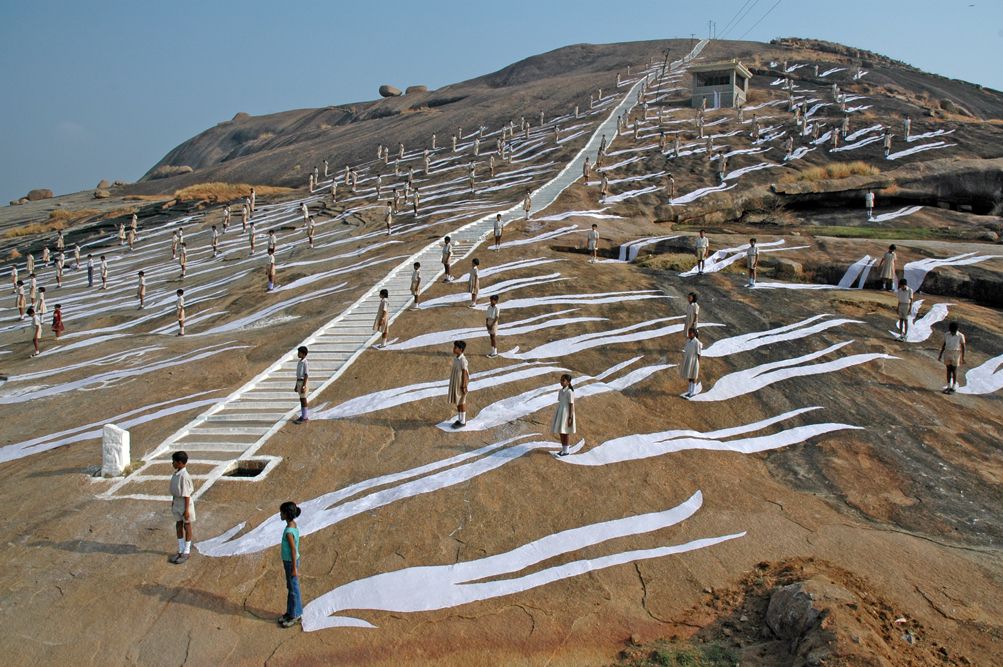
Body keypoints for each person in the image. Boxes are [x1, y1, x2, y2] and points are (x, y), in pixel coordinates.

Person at [277, 501, 303, 628]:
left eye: (282, 512)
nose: (280, 514)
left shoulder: (288, 531)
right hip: (290, 562)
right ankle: (290, 612)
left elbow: (293, 550)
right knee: (290, 588)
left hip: (290, 563)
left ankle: (295, 615)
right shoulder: (293, 525)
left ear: (286, 514)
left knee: (293, 589)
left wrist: (293, 569)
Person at [169, 451, 195, 564]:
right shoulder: (176, 474)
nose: (172, 463)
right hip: (177, 502)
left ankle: (186, 550)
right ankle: (180, 549)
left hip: (184, 504)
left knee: (187, 525)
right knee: (178, 525)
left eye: (173, 461)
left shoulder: (184, 476)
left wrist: (186, 511)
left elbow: (186, 495)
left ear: (179, 463)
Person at [551, 374, 576, 456]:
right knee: (561, 431)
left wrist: (570, 417)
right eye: (561, 380)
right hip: (561, 411)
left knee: (566, 432)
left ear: (568, 382)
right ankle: (563, 449)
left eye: (563, 380)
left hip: (567, 412)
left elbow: (571, 404)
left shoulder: (569, 392)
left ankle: (566, 451)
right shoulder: (561, 391)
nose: (561, 382)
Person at [938, 322, 966, 394]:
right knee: (948, 369)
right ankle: (949, 386)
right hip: (948, 352)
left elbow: (963, 346)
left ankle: (954, 387)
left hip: (955, 353)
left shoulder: (960, 336)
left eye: (953, 331)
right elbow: (944, 344)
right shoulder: (947, 335)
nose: (952, 332)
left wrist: (963, 357)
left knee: (954, 370)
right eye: (951, 331)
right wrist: (940, 354)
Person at [448, 341, 469, 429]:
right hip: (456, 382)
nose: (454, 349)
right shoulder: (456, 358)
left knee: (462, 401)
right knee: (458, 401)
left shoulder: (463, 360)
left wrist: (463, 386)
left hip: (460, 383)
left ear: (460, 349)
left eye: (455, 348)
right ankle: (459, 419)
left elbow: (464, 373)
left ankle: (463, 421)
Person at [680, 328, 702, 398]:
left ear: (694, 334)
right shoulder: (688, 341)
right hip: (688, 359)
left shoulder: (697, 343)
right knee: (689, 375)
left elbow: (698, 354)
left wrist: (698, 362)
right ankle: (690, 391)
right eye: (688, 333)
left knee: (693, 375)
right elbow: (686, 350)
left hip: (693, 360)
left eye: (690, 333)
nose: (689, 334)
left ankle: (693, 391)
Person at [293, 346, 310, 423]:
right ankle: (303, 415)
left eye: (299, 353)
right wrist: (296, 386)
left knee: (303, 399)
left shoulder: (305, 363)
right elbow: (298, 375)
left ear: (303, 354)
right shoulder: (300, 362)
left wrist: (304, 386)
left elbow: (306, 374)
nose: (298, 354)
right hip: (299, 381)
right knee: (301, 398)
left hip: (303, 382)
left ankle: (305, 416)